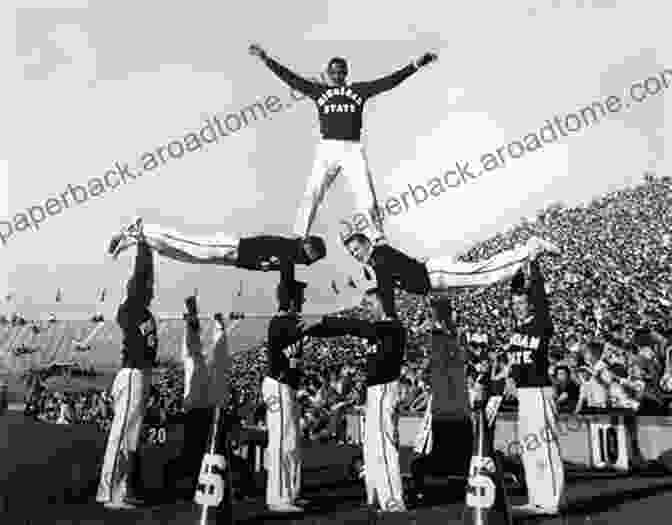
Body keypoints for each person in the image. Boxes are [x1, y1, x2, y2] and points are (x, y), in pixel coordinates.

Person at [249, 43, 438, 243]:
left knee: (366, 194)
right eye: (333, 72)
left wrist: (416, 65)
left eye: (340, 72)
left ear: (346, 73)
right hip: (327, 148)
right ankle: (299, 235)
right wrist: (266, 59)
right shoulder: (319, 91)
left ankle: (377, 237)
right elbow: (292, 79)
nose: (337, 75)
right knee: (313, 191)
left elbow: (389, 82)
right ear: (328, 74)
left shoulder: (358, 91)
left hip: (352, 148)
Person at [308, 288, 408, 514]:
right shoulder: (380, 329)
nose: (368, 308)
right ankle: (375, 495)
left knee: (384, 445)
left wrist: (322, 322)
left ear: (384, 303)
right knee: (372, 447)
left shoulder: (393, 328)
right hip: (375, 392)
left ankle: (393, 500)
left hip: (384, 389)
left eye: (372, 303)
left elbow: (353, 326)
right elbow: (353, 329)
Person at [343, 232, 560, 318]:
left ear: (366, 244)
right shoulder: (376, 258)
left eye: (356, 249)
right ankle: (524, 256)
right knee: (482, 279)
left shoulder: (378, 256)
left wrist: (390, 316)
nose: (355, 254)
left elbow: (385, 290)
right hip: (434, 284)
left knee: (484, 273)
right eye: (351, 253)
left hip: (435, 274)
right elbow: (383, 287)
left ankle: (530, 248)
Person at [96, 224, 158, 509]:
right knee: (122, 434)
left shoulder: (144, 311)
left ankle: (125, 488)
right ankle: (111, 493)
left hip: (141, 375)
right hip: (132, 374)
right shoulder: (131, 308)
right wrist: (142, 246)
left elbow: (146, 276)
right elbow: (141, 274)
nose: (150, 289)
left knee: (131, 436)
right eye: (145, 286)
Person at [163, 296, 241, 501]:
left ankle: (191, 480)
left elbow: (201, 349)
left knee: (199, 452)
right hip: (205, 408)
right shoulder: (203, 364)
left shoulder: (201, 364)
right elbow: (202, 349)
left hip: (204, 408)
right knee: (203, 452)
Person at [505, 259, 565, 516]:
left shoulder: (542, 323)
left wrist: (533, 264)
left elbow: (540, 296)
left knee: (545, 445)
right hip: (525, 394)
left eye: (521, 303)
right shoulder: (516, 329)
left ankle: (550, 501)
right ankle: (536, 499)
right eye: (514, 304)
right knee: (530, 447)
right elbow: (515, 361)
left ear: (530, 303)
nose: (517, 307)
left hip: (540, 391)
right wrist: (510, 377)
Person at [409, 296, 473, 506]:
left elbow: (434, 362)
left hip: (445, 398)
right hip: (456, 397)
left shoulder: (441, 335)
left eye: (432, 312)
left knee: (436, 450)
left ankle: (426, 486)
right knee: (459, 447)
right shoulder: (454, 334)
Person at [261, 279, 313, 513]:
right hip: (278, 385)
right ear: (291, 300)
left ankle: (291, 493)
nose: (304, 300)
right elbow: (306, 328)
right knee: (282, 442)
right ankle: (278, 497)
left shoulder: (287, 322)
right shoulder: (281, 322)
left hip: (287, 386)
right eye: (300, 297)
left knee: (291, 441)